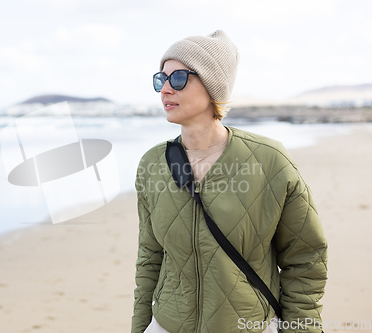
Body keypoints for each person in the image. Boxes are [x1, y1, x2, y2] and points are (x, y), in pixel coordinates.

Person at [131, 30, 328, 333]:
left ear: (212, 86)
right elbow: (150, 257)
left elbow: (305, 258)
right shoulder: (152, 164)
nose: (165, 90)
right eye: (161, 79)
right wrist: (141, 326)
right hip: (167, 325)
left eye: (178, 78)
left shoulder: (270, 160)